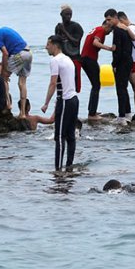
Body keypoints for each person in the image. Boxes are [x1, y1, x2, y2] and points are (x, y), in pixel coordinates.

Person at [41, 35, 79, 171]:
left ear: (55, 45)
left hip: (65, 100)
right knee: (70, 136)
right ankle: (69, 166)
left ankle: (58, 169)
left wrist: (46, 103)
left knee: (59, 137)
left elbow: (53, 83)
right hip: (74, 99)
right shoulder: (68, 59)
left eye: (48, 44)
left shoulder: (55, 60)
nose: (46, 47)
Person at [0, 18, 31, 118]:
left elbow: (5, 53)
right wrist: (5, 63)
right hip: (28, 53)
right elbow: (8, 52)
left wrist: (4, 69)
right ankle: (22, 113)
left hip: (19, 55)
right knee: (22, 83)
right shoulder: (3, 30)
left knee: (3, 78)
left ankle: (7, 105)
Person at [80, 21, 114, 120]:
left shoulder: (96, 29)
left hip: (84, 58)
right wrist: (109, 48)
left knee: (95, 85)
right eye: (110, 30)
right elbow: (95, 43)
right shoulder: (101, 30)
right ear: (107, 26)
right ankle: (92, 114)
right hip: (89, 59)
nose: (109, 33)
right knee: (96, 85)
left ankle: (92, 110)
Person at [105, 9, 133, 123]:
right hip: (128, 60)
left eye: (109, 19)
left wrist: (114, 64)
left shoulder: (117, 30)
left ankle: (121, 116)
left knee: (120, 89)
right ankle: (127, 113)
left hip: (122, 62)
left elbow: (117, 49)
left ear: (115, 18)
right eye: (106, 20)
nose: (108, 22)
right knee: (124, 87)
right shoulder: (124, 28)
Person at [117, 11, 135, 121]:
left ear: (122, 20)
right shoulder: (134, 27)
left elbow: (133, 37)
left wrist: (126, 28)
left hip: (134, 61)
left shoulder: (132, 28)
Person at [54, 5, 84, 93]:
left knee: (74, 86)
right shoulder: (58, 27)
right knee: (61, 85)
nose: (68, 17)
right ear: (61, 15)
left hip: (74, 59)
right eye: (66, 14)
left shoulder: (76, 27)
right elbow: (56, 44)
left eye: (70, 15)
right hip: (62, 59)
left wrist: (65, 32)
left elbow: (76, 42)